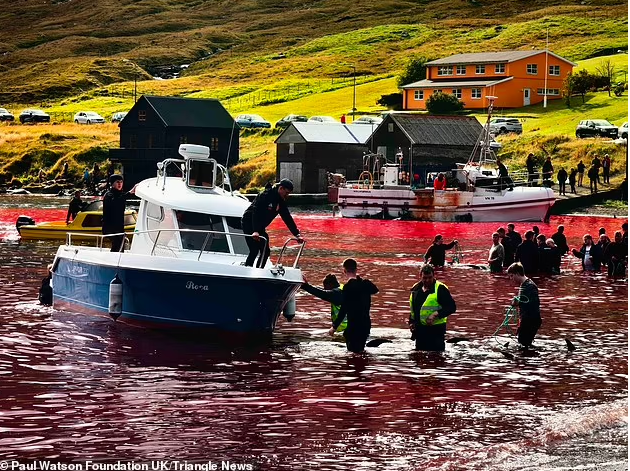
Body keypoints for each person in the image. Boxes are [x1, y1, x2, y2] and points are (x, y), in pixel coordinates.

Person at [241, 179, 303, 268]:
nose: (287, 195)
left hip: (260, 226)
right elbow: (256, 212)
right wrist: (256, 231)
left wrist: (297, 234)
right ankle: (247, 269)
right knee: (254, 250)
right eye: (286, 193)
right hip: (249, 222)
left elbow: (287, 218)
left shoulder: (280, 201)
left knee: (266, 252)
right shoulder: (265, 195)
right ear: (281, 188)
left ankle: (259, 270)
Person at [329, 258, 379, 353]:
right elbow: (375, 290)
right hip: (365, 325)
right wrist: (360, 280)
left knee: (352, 354)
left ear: (344, 271)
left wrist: (334, 327)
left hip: (353, 327)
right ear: (356, 270)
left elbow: (344, 309)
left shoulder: (347, 287)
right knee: (361, 351)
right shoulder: (365, 284)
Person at [408, 264, 456, 352]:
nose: (427, 280)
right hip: (420, 332)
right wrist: (411, 322)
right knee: (419, 359)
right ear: (420, 276)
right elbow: (413, 310)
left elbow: (451, 307)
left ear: (434, 276)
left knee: (436, 359)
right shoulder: (416, 289)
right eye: (425, 278)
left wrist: (435, 315)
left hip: (436, 332)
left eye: (430, 277)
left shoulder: (440, 289)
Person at [507, 262, 542, 350]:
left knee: (523, 345)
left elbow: (532, 304)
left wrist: (517, 302)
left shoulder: (529, 286)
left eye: (512, 276)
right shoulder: (524, 285)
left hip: (530, 320)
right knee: (524, 345)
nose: (511, 279)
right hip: (527, 320)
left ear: (517, 274)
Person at [102, 174, 136, 252]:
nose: (120, 184)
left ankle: (118, 259)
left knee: (120, 245)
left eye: (121, 182)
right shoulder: (108, 195)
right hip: (110, 227)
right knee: (118, 244)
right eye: (117, 182)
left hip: (119, 227)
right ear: (112, 184)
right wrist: (129, 193)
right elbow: (116, 202)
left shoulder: (121, 194)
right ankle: (113, 260)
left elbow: (123, 197)